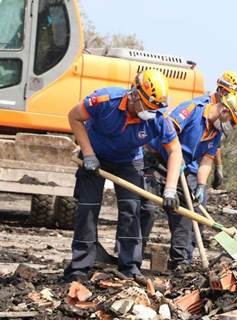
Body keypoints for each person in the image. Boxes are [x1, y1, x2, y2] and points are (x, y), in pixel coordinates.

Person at [64, 70, 183, 281]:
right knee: (88, 209)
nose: (151, 112)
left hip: (128, 161)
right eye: (148, 107)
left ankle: (129, 268)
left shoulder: (157, 119)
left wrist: (171, 189)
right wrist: (89, 154)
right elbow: (74, 117)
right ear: (135, 94)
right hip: (95, 156)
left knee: (131, 210)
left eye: (155, 108)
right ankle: (80, 268)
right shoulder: (105, 100)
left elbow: (175, 150)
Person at [140, 90, 237, 267]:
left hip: (181, 170)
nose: (232, 127)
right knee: (147, 209)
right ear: (224, 112)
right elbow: (168, 131)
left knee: (185, 213)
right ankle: (133, 257)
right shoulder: (192, 110)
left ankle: (180, 262)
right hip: (156, 161)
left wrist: (200, 185)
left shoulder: (216, 132)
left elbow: (207, 160)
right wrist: (175, 154)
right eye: (233, 122)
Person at [211, 71, 237, 189]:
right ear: (223, 91)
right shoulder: (209, 107)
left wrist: (218, 168)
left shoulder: (224, 116)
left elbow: (215, 144)